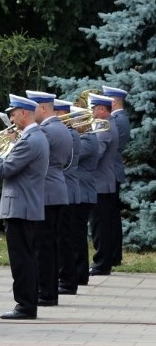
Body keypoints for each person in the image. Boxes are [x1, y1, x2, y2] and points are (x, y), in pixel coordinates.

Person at [0, 94, 49, 320]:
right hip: (24, 205)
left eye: (14, 113)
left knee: (22, 260)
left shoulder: (30, 140)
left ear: (24, 113)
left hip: (21, 206)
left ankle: (25, 306)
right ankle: (26, 303)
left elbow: (5, 170)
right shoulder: (31, 138)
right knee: (25, 258)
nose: (11, 117)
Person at [25, 90, 71, 307]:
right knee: (50, 245)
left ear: (42, 108)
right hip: (57, 189)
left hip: (45, 192)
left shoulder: (45, 131)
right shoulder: (61, 127)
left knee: (43, 247)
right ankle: (49, 291)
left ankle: (46, 292)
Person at [88, 93, 119, 276]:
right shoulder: (106, 124)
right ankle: (102, 262)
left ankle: (101, 264)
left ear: (101, 109)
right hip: (102, 181)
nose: (91, 111)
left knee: (101, 227)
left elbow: (96, 154)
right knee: (100, 225)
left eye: (93, 108)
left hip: (100, 182)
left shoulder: (104, 127)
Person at [54, 99, 81, 295]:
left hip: (68, 191)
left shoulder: (69, 135)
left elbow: (64, 163)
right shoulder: (67, 133)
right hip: (66, 190)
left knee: (64, 239)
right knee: (62, 239)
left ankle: (68, 281)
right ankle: (65, 278)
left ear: (62, 114)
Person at [72, 106, 101, 286]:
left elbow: (72, 154)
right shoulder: (84, 138)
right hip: (81, 192)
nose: (73, 125)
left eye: (75, 122)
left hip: (83, 193)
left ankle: (80, 273)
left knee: (77, 235)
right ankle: (78, 273)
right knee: (75, 235)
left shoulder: (89, 140)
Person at [102, 85, 130, 267]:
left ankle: (112, 255)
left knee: (109, 218)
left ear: (113, 101)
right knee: (112, 217)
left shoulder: (117, 119)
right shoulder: (120, 118)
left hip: (111, 170)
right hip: (114, 169)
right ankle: (114, 255)